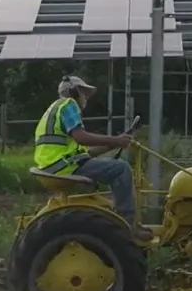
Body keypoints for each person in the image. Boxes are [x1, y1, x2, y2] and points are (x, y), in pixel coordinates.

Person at [33, 75, 152, 242]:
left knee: (115, 167)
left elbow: (84, 154)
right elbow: (81, 137)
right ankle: (128, 224)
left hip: (56, 165)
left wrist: (114, 144)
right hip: (63, 166)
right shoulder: (69, 105)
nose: (86, 98)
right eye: (84, 93)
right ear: (73, 92)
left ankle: (123, 220)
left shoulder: (54, 109)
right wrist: (115, 140)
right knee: (121, 169)